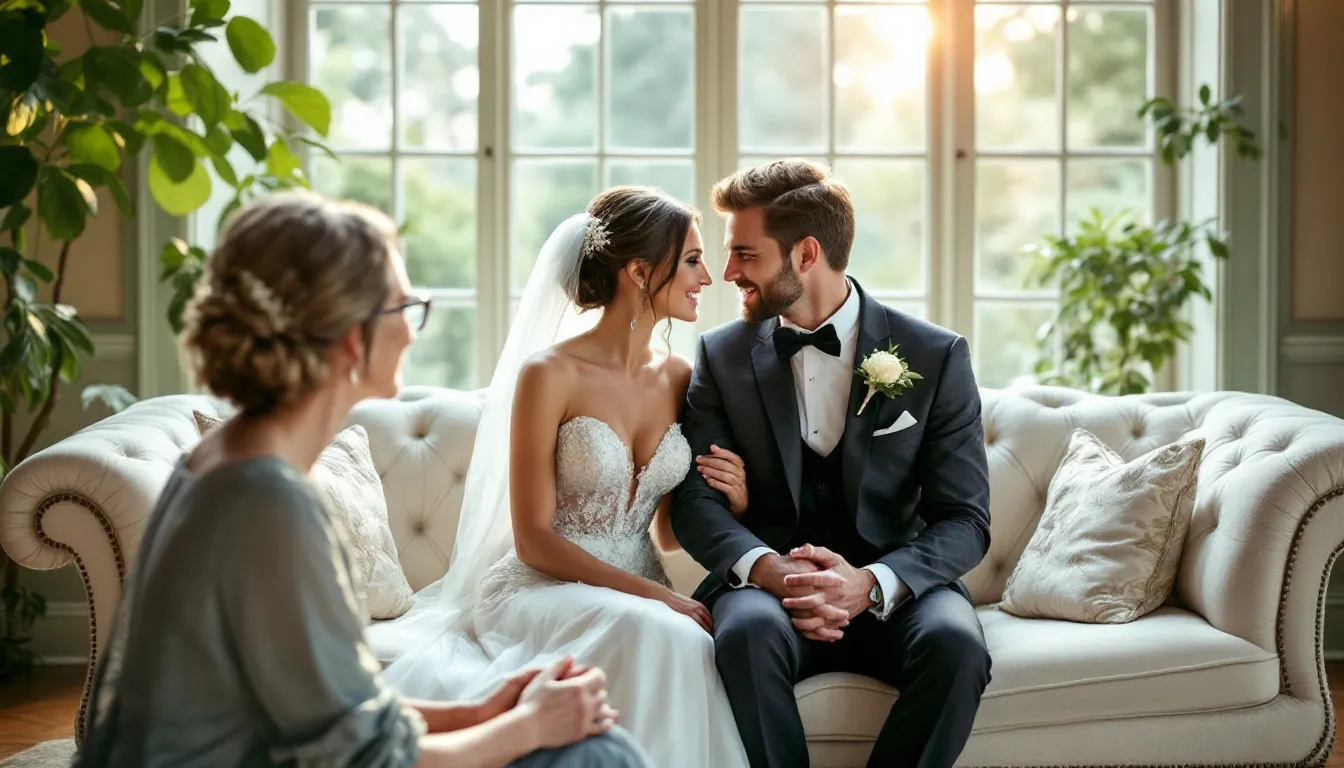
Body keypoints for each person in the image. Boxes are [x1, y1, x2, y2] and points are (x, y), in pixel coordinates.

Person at [75, 191, 651, 768]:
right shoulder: (268, 502)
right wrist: (529, 725)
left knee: (590, 744)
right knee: (596, 755)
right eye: (405, 309)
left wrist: (487, 709)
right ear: (352, 336)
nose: (413, 331)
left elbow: (333, 707)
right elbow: (361, 757)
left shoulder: (221, 463)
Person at [379, 187, 749, 768]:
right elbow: (533, 539)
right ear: (638, 271)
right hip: (545, 587)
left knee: (673, 636)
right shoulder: (550, 373)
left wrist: (734, 497)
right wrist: (655, 595)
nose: (709, 277)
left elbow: (669, 535)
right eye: (693, 261)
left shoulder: (683, 376)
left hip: (641, 593)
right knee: (664, 632)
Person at [670, 159, 994, 768]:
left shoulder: (936, 354)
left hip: (898, 589)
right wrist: (768, 570)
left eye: (745, 254)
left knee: (957, 647)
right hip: (769, 589)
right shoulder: (722, 355)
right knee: (741, 635)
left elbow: (965, 519)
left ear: (805, 253)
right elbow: (693, 502)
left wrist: (869, 583)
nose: (728, 273)